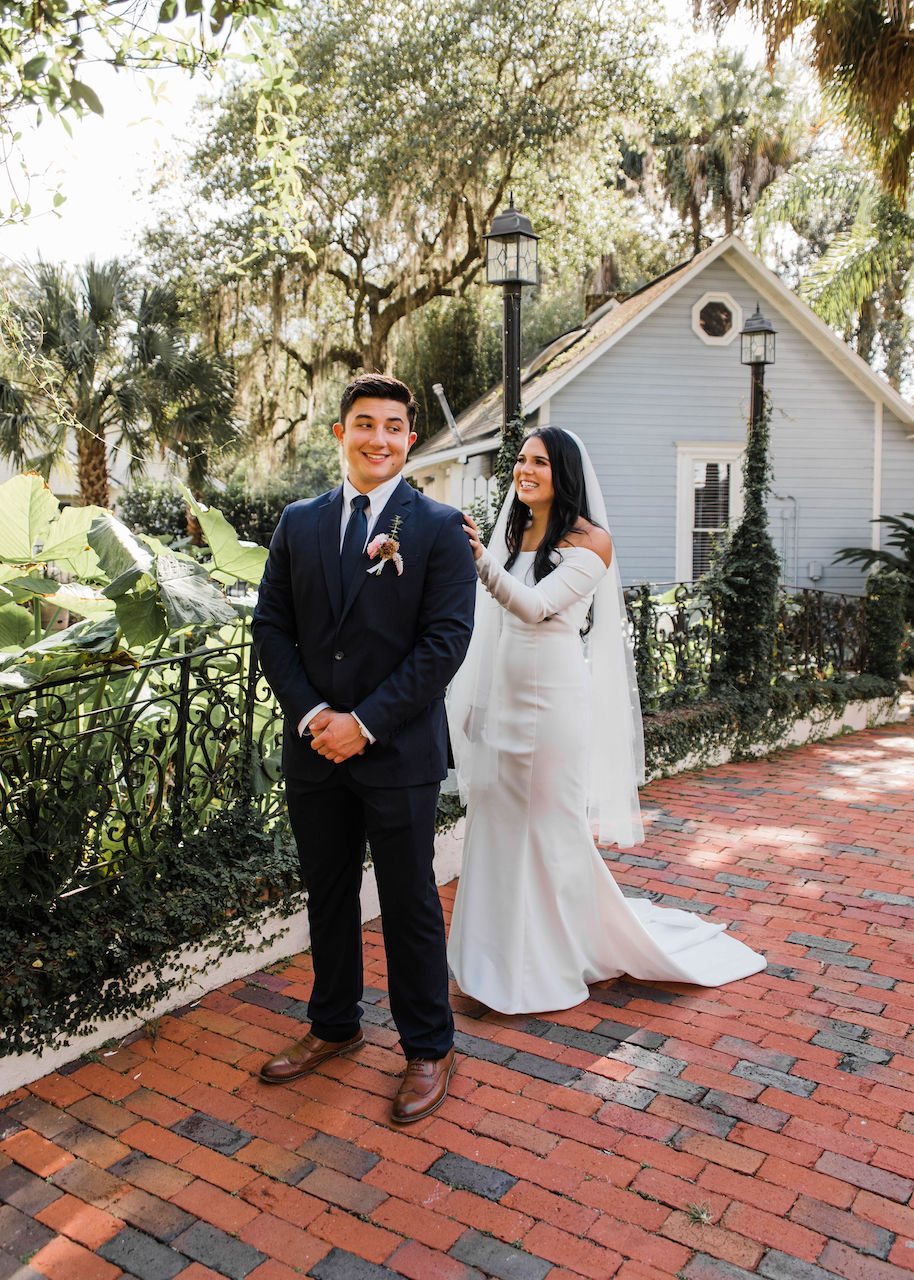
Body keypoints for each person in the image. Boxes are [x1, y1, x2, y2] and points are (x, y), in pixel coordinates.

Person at [446, 427, 765, 1014]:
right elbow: (490, 626)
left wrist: (481, 560)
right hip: (506, 696)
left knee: (548, 826)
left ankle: (552, 958)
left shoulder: (592, 543)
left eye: (539, 462)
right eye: (520, 460)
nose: (525, 470)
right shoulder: (516, 531)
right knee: (495, 820)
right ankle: (491, 956)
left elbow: (536, 606)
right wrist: (476, 702)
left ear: (562, 473)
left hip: (553, 705)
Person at [252, 373, 477, 1123]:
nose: (378, 438)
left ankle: (427, 1048)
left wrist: (366, 723)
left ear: (410, 439)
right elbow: (271, 629)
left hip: (398, 748)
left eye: (392, 426)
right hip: (314, 747)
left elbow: (444, 643)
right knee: (328, 892)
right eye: (363, 424)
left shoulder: (440, 528)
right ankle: (335, 1025)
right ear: (341, 433)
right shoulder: (298, 522)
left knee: (410, 899)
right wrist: (316, 713)